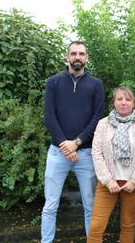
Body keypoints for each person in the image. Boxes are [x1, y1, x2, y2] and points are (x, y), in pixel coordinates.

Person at [41, 40, 105, 243]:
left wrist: (76, 142)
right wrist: (65, 145)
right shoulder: (53, 82)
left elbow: (97, 118)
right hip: (57, 152)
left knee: (90, 205)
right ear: (67, 57)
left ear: (87, 58)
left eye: (81, 54)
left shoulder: (96, 84)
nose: (78, 57)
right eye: (74, 53)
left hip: (85, 154)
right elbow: (49, 117)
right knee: (50, 205)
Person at [87, 86, 135, 243]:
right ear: (113, 103)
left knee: (128, 224)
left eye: (128, 99)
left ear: (133, 103)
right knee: (96, 226)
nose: (124, 103)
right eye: (120, 99)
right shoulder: (103, 124)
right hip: (107, 183)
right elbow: (96, 153)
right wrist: (108, 181)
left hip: (132, 184)